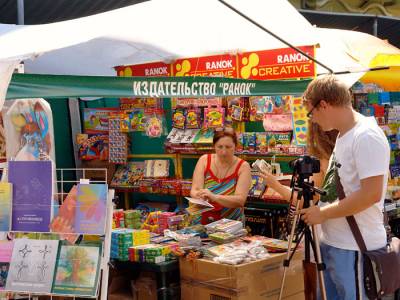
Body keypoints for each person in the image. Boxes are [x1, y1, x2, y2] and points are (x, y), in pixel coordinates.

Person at [299, 75, 390, 300]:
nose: (312, 120)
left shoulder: (365, 135)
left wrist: (322, 213)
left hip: (355, 247)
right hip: (336, 244)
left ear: (324, 105)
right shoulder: (345, 134)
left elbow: (370, 194)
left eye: (311, 113)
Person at [190, 128, 252, 225]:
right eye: (220, 147)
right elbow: (194, 190)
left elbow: (240, 200)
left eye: (228, 147)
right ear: (214, 146)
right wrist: (200, 196)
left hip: (230, 225)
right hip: (202, 221)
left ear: (236, 146)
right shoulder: (204, 160)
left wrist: (214, 197)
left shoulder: (243, 167)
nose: (224, 152)